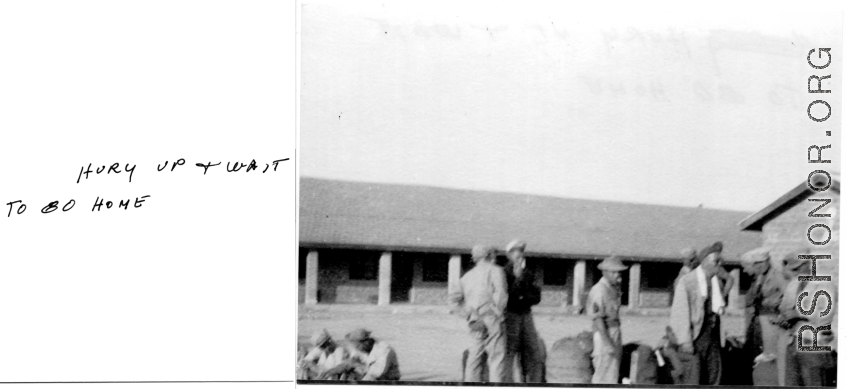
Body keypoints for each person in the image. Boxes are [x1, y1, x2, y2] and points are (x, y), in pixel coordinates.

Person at [448, 244, 510, 382]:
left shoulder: (467, 276)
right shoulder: (496, 271)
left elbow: (452, 300)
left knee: (474, 358)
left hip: (475, 321)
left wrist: (468, 315)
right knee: (497, 358)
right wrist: (497, 314)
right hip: (492, 318)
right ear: (489, 255)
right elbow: (501, 294)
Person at [774, 250, 836, 386]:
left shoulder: (824, 284)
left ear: (809, 264)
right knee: (792, 382)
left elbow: (825, 315)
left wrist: (799, 314)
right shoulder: (794, 284)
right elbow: (785, 307)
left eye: (798, 268)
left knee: (813, 382)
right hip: (792, 339)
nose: (796, 272)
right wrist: (783, 317)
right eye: (793, 269)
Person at [669, 242, 724, 385]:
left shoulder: (715, 282)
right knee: (695, 377)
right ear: (705, 262)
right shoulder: (688, 281)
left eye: (720, 260)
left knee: (714, 373)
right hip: (695, 337)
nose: (720, 264)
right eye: (716, 261)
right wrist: (685, 340)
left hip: (712, 337)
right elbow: (679, 312)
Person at [502, 240, 544, 383]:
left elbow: (537, 297)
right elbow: (508, 297)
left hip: (526, 314)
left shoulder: (529, 274)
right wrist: (517, 280)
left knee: (533, 352)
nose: (519, 255)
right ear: (508, 255)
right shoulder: (504, 273)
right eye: (515, 252)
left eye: (521, 252)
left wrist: (523, 296)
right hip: (510, 315)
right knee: (510, 352)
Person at [741, 248, 785, 371]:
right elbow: (750, 299)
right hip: (760, 320)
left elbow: (788, 297)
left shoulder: (777, 275)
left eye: (761, 263)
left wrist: (774, 303)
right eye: (756, 264)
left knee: (770, 357)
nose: (759, 267)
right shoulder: (760, 278)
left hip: (773, 320)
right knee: (757, 356)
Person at [586, 255, 628, 384]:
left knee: (612, 373)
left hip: (614, 332)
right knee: (603, 375)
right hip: (605, 334)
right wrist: (608, 343)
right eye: (614, 272)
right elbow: (598, 319)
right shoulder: (599, 290)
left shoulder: (613, 289)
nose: (618, 275)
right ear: (605, 272)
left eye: (619, 272)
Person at [322, 328, 401, 381]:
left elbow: (375, 373)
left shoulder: (384, 350)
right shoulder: (361, 348)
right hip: (369, 374)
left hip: (387, 380)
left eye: (357, 346)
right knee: (345, 372)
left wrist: (356, 365)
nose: (356, 349)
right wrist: (331, 371)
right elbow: (349, 363)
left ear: (365, 342)